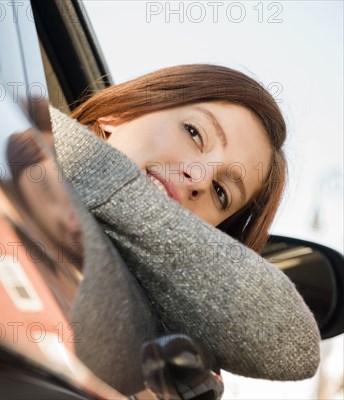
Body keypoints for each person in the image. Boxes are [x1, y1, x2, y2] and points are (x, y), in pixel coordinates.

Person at [48, 64, 320, 388]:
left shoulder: (153, 315)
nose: (200, 178)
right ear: (120, 113)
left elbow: (291, 342)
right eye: (194, 133)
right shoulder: (26, 145)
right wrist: (105, 171)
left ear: (211, 237)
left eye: (221, 193)